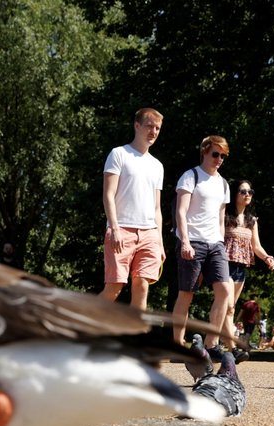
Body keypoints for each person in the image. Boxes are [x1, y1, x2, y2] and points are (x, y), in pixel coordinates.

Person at [99, 107, 165, 311]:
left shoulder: (157, 165)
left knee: (142, 285)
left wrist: (160, 241)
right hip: (122, 230)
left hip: (149, 234)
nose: (153, 132)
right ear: (137, 126)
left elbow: (157, 207)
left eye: (157, 128)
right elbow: (108, 194)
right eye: (149, 126)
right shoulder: (119, 154)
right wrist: (115, 229)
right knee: (114, 287)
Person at [171, 136, 232, 349]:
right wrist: (185, 241)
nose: (219, 159)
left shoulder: (223, 184)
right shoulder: (190, 176)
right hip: (192, 241)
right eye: (215, 154)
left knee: (224, 290)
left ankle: (211, 345)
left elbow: (221, 218)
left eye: (223, 156)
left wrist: (221, 243)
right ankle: (178, 346)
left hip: (215, 244)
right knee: (186, 295)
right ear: (204, 152)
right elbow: (181, 211)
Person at [221, 180, 274, 350]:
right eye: (243, 191)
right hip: (225, 264)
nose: (247, 195)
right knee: (229, 307)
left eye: (250, 191)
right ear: (234, 194)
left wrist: (267, 257)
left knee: (228, 308)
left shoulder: (252, 220)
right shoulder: (224, 216)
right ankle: (232, 348)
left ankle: (210, 344)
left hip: (241, 268)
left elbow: (256, 246)